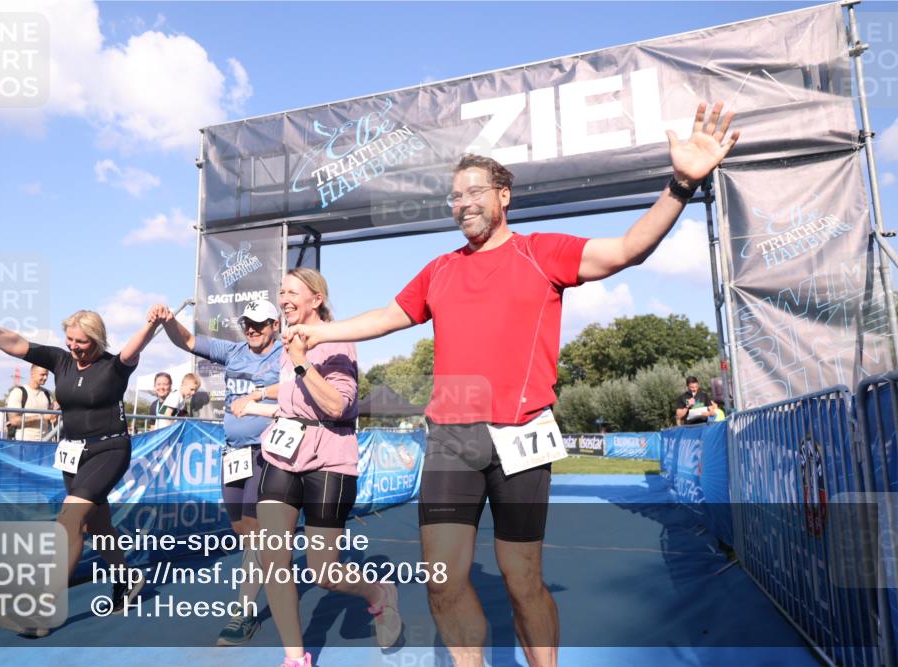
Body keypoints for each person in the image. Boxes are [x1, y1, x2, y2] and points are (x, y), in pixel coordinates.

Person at [283, 102, 739, 666]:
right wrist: (313, 328)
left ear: (504, 195)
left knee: (523, 580)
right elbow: (381, 316)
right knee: (443, 583)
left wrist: (680, 185)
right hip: (451, 440)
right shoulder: (439, 269)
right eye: (454, 196)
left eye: (474, 191)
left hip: (521, 435)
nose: (463, 203)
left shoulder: (541, 253)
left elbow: (627, 251)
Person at [0, 288, 159, 637]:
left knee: (69, 518)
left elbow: (134, 348)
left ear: (97, 339)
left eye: (81, 342)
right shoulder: (61, 360)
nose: (74, 346)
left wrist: (150, 323)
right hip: (73, 454)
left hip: (109, 450)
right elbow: (16, 343)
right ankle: (128, 578)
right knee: (97, 526)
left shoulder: (115, 366)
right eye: (69, 339)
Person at [244, 269, 401, 667]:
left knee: (323, 572)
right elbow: (292, 389)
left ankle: (377, 594)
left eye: (292, 291)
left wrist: (300, 362)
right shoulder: (289, 341)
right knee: (273, 557)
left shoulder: (338, 340)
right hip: (282, 454)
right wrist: (262, 393)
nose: (283, 297)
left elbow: (337, 406)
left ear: (316, 299)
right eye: (281, 291)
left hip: (330, 457)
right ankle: (295, 657)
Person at [152, 298, 282, 646]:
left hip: (268, 451)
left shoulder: (287, 352)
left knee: (255, 530)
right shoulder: (234, 350)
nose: (252, 329)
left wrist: (262, 396)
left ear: (274, 324)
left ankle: (244, 613)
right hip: (234, 452)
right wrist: (167, 322)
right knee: (241, 528)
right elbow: (190, 342)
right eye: (247, 323)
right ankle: (270, 564)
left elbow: (303, 386)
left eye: (259, 323)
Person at [5, 364, 56, 441]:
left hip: (45, 443)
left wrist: (54, 416)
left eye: (47, 375)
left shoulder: (47, 393)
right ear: (32, 373)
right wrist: (41, 417)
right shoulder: (18, 392)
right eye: (42, 374)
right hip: (23, 443)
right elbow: (14, 420)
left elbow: (51, 415)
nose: (45, 378)